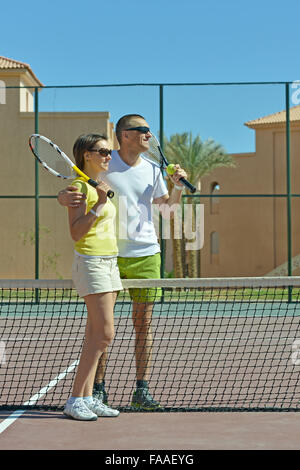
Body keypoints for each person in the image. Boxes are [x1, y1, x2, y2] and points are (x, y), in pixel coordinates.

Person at [58, 115, 187, 410]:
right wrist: (62, 196)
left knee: (143, 324)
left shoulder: (154, 170)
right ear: (124, 135)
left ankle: (141, 390)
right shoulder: (103, 160)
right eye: (141, 130)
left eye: (148, 130)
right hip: (109, 257)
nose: (148, 134)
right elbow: (77, 186)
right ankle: (97, 390)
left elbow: (168, 212)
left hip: (146, 255)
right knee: (103, 327)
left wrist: (177, 186)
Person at [63, 133, 122, 421]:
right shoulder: (78, 188)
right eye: (102, 151)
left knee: (94, 334)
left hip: (110, 263)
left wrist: (99, 197)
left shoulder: (96, 185)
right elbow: (76, 233)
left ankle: (87, 397)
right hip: (91, 262)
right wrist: (98, 203)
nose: (108, 156)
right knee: (105, 334)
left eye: (109, 151)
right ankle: (75, 399)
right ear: (86, 155)